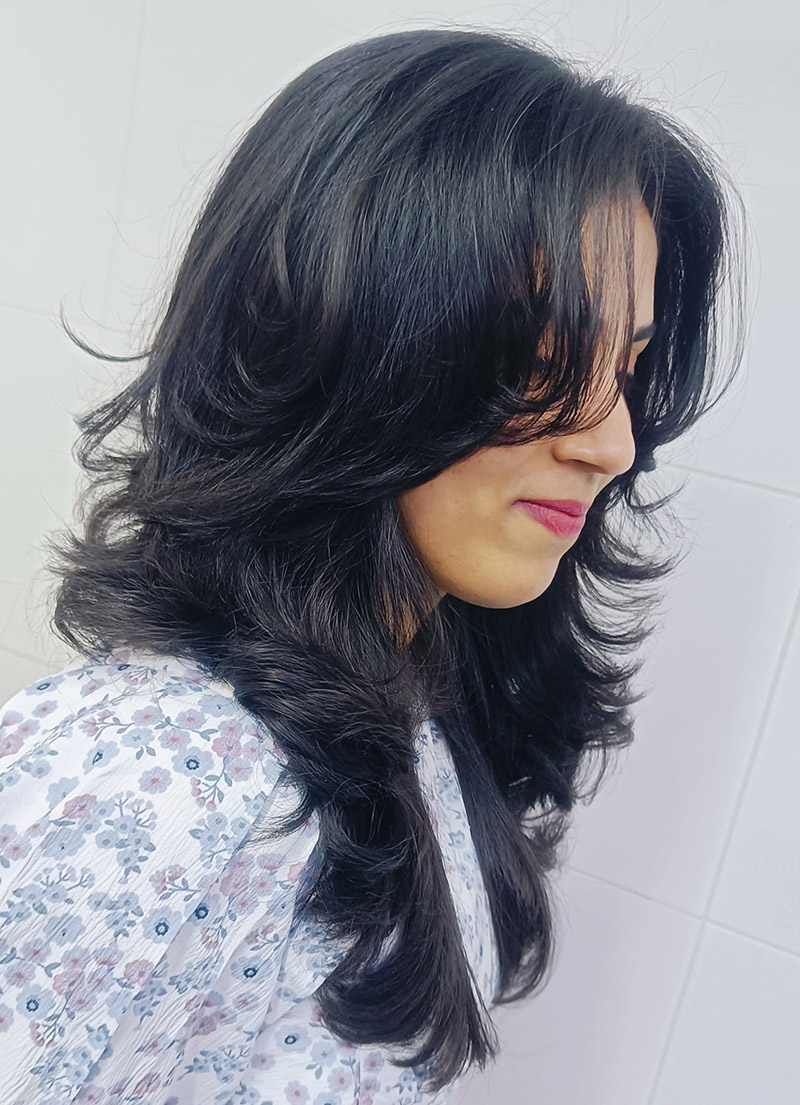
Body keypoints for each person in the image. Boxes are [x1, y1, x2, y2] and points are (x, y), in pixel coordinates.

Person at [0, 26, 742, 1105]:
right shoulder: (155, 774)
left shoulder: (409, 709)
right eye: (541, 356)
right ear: (345, 340)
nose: (611, 442)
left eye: (624, 368)